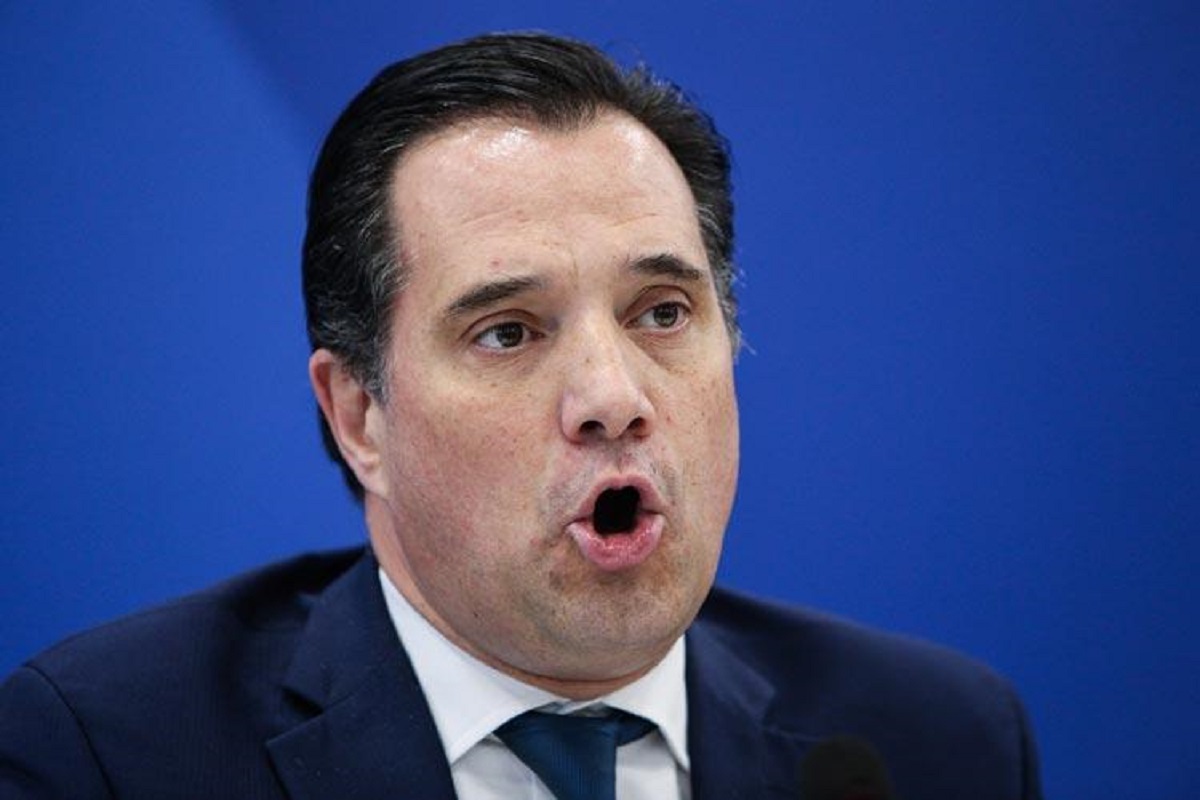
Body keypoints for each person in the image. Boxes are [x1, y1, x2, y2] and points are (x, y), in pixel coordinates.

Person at [0, 32, 1042, 799]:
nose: (614, 398)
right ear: (359, 415)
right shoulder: (109, 754)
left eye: (663, 312)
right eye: (507, 331)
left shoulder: (942, 741)